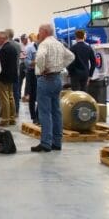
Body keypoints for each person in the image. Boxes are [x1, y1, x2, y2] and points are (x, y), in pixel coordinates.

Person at [33, 23, 75, 152]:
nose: (38, 35)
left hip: (46, 79)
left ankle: (46, 143)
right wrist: (60, 66)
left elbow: (40, 57)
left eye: (39, 32)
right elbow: (71, 56)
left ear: (45, 32)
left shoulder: (44, 44)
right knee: (56, 111)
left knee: (44, 112)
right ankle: (57, 142)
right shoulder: (58, 43)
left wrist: (42, 68)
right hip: (57, 79)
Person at [0, 30, 18, 126]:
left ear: (2, 38)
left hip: (3, 77)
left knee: (4, 98)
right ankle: (12, 118)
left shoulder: (4, 49)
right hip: (12, 76)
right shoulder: (12, 48)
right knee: (10, 97)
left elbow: (1, 65)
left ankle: (5, 119)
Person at [24, 33, 39, 124]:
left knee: (40, 96)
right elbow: (26, 62)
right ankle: (33, 116)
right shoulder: (30, 48)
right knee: (32, 95)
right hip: (32, 73)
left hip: (41, 73)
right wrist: (36, 62)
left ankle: (38, 115)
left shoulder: (43, 47)